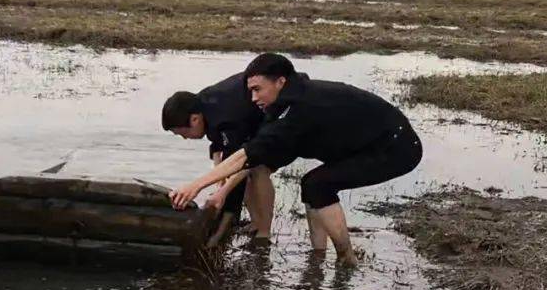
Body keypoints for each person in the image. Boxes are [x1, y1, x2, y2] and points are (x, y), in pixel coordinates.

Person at [170, 53, 422, 266]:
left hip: (395, 146)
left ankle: (346, 259)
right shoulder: (283, 104)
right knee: (313, 183)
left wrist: (196, 186)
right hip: (367, 142)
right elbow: (247, 156)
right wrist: (221, 189)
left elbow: (245, 156)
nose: (253, 98)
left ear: (280, 81)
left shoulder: (297, 110)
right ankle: (318, 257)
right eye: (250, 91)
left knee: (318, 185)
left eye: (257, 90)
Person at [161, 73, 275, 246]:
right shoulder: (203, 104)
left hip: (276, 112)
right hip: (250, 122)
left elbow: (245, 160)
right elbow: (218, 146)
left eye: (182, 133)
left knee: (259, 169)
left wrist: (223, 192)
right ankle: (255, 222)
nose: (185, 138)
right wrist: (220, 182)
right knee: (239, 177)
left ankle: (263, 233)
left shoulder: (225, 115)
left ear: (194, 119)